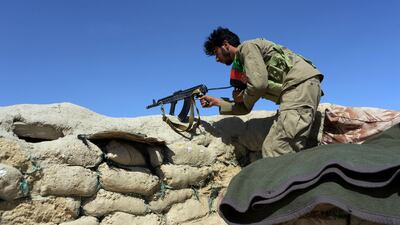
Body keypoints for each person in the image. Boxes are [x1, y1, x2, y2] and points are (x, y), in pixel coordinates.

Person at [200, 27, 324, 157]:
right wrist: (218, 103)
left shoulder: (247, 47)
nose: (217, 59)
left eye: (216, 52)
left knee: (276, 150)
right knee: (282, 148)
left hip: (299, 87)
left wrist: (242, 97)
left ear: (225, 45)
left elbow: (258, 85)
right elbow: (246, 108)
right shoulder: (243, 66)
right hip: (299, 89)